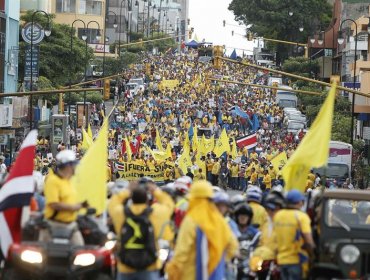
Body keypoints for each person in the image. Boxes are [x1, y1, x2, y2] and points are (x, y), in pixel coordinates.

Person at [166, 180, 239, 280]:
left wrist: (172, 271)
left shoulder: (191, 220)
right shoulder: (219, 219)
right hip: (216, 275)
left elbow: (181, 253)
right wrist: (216, 259)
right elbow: (233, 247)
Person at [108, 178, 175, 280]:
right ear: (147, 200)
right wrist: (155, 190)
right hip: (150, 266)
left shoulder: (120, 213)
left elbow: (113, 203)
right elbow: (169, 204)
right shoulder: (155, 214)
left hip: (125, 267)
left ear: (131, 199)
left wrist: (127, 190)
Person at [40, 150, 87, 245]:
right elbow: (54, 204)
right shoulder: (53, 181)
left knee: (80, 251)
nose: (76, 167)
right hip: (53, 226)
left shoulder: (69, 181)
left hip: (71, 225)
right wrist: (75, 207)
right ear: (68, 166)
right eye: (74, 164)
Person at [273, 190, 315, 280]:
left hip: (281, 260)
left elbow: (274, 238)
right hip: (296, 261)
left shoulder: (278, 215)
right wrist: (313, 256)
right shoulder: (301, 217)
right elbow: (308, 241)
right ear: (300, 202)